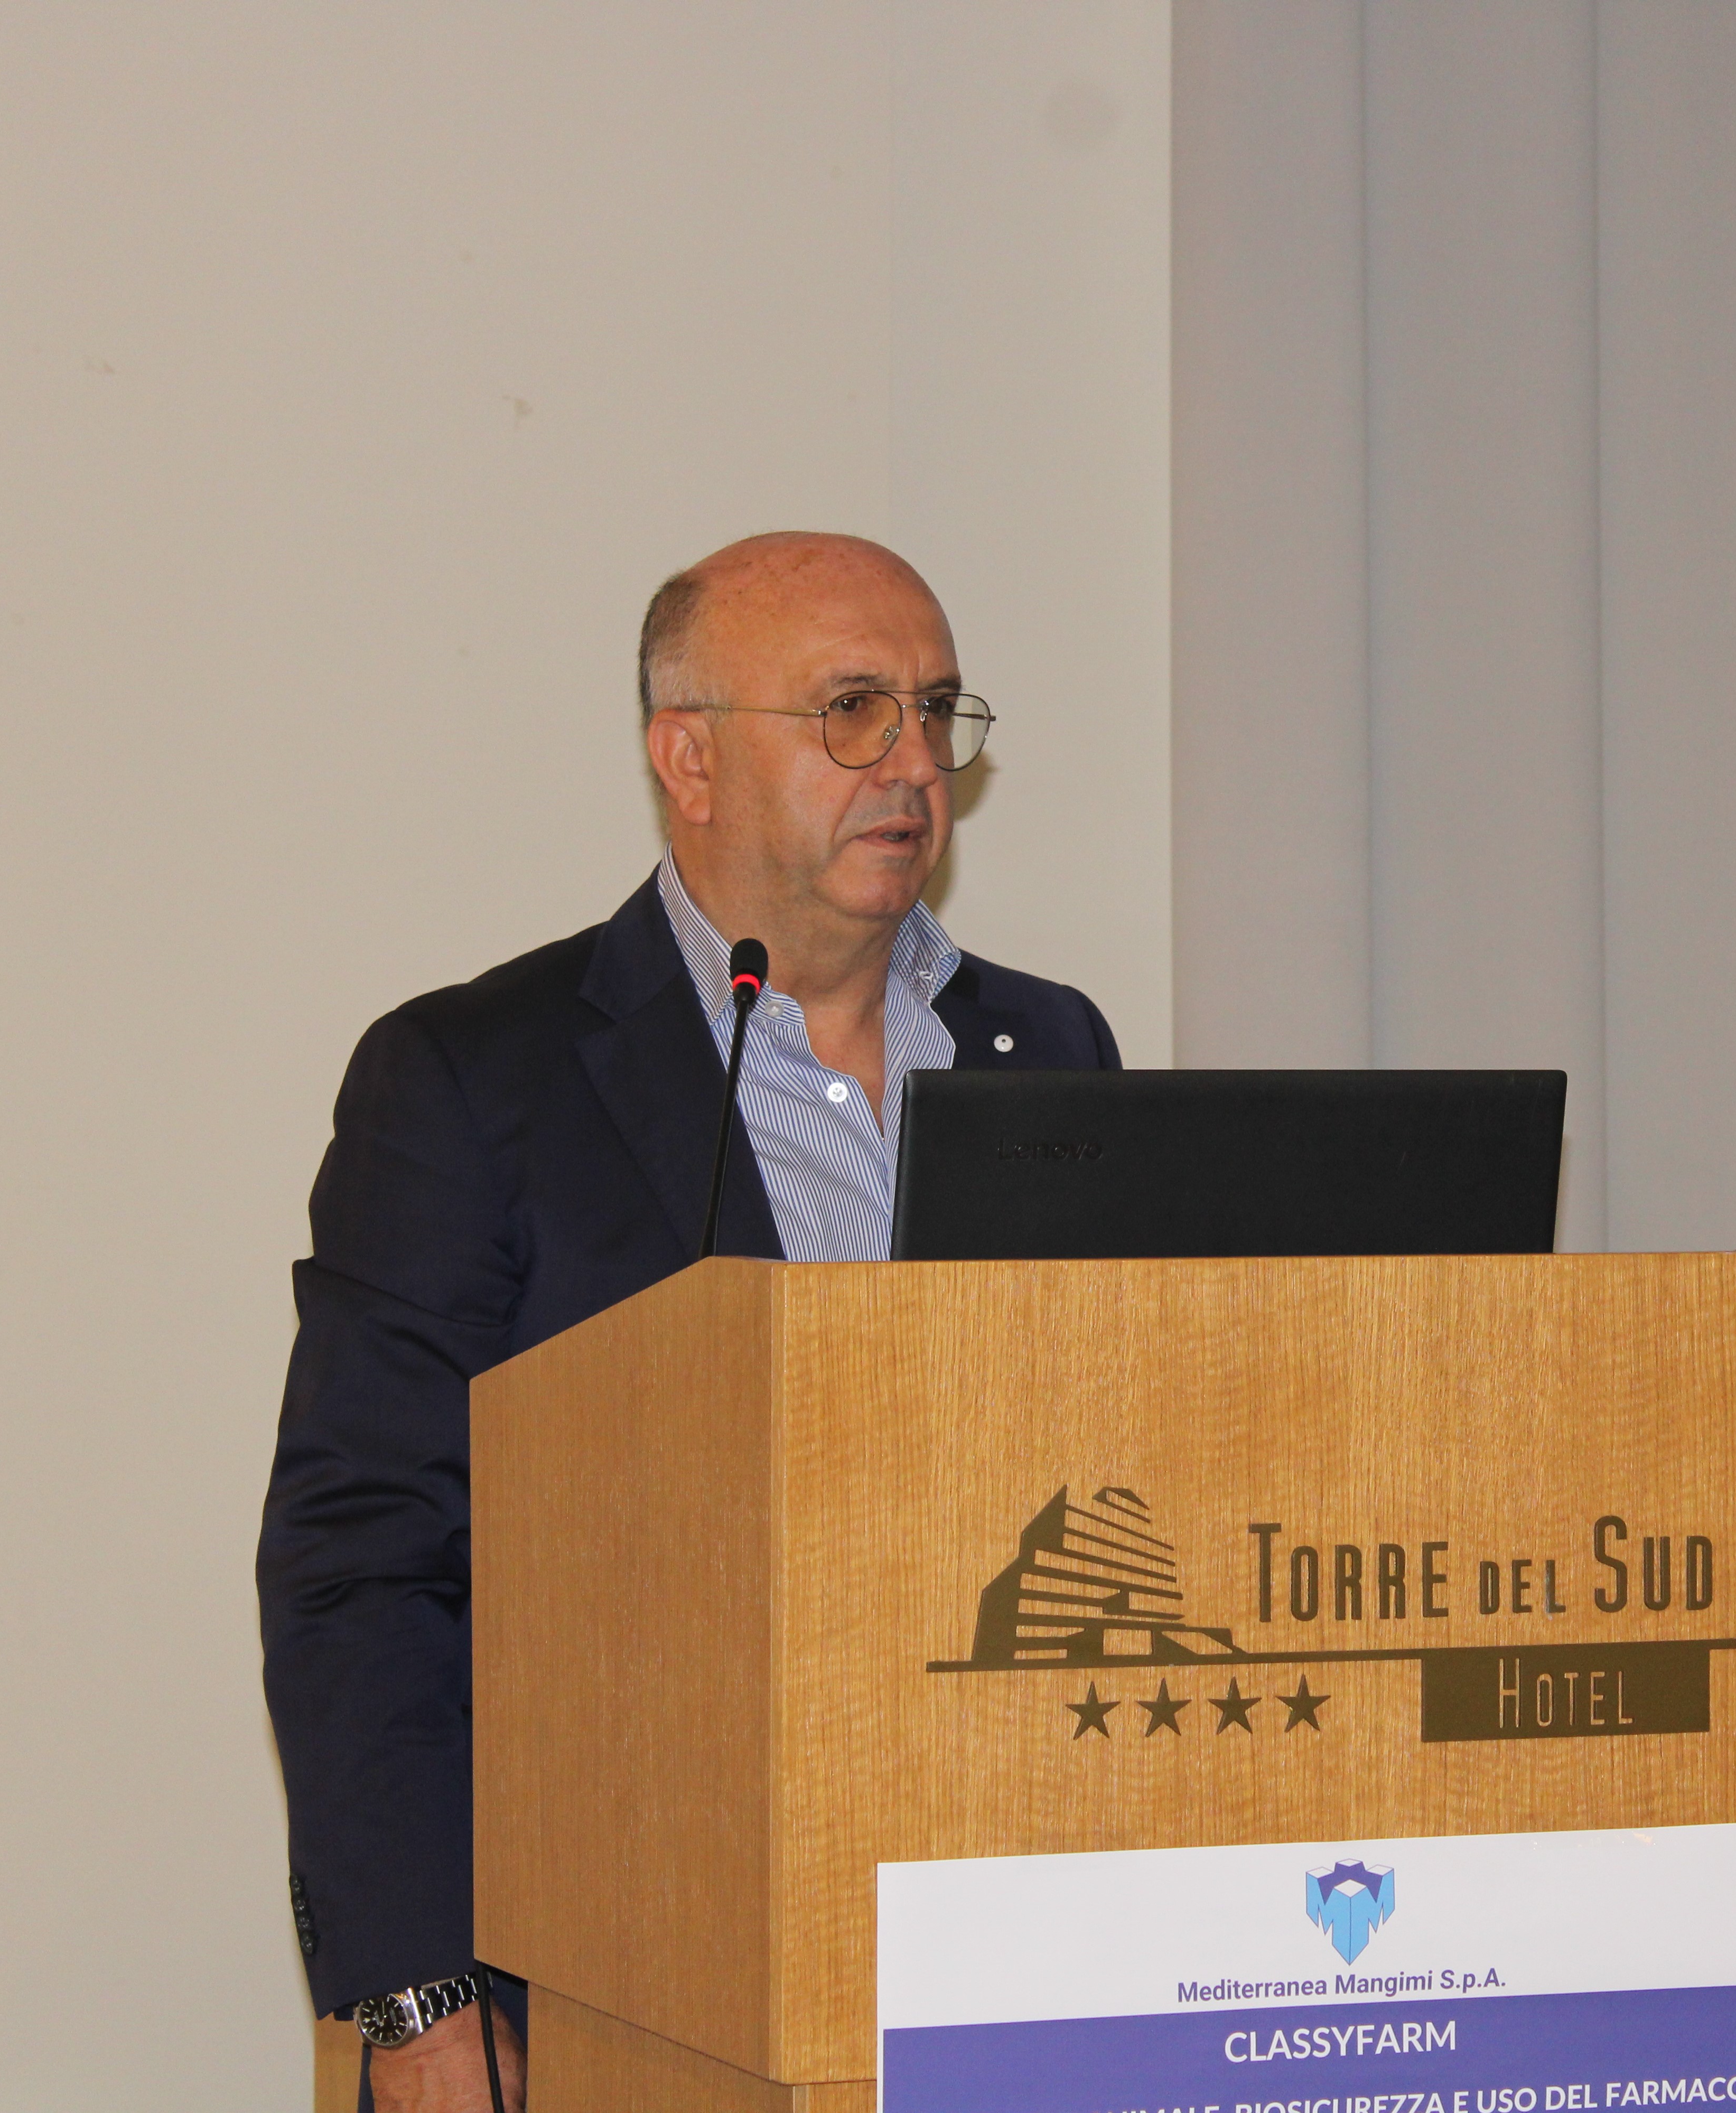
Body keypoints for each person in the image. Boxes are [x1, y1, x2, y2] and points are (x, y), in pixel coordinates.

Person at [257, 534, 1119, 2110]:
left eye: (935, 710)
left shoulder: (1047, 1048)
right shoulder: (474, 1081)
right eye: (852, 710)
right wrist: (422, 2003)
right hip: (617, 1964)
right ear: (689, 757)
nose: (912, 763)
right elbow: (364, 1554)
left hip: (1001, 1935)